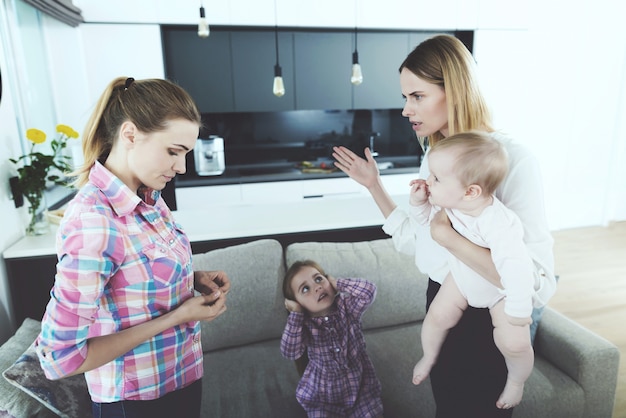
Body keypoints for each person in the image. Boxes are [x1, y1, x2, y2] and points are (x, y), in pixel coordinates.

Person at [332, 34, 555, 417]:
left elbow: (537, 281)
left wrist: (449, 238)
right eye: (405, 97)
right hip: (442, 299)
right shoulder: (435, 155)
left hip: (489, 318)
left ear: (454, 89)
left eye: (417, 96)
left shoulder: (514, 160)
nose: (405, 109)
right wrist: (375, 187)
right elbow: (422, 244)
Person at [35, 76, 231, 418]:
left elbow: (130, 279)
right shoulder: (93, 221)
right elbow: (61, 357)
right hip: (136, 404)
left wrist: (190, 279)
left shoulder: (149, 198)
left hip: (179, 379)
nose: (181, 167)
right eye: (174, 152)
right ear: (130, 135)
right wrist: (178, 316)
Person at [409, 131, 555, 409]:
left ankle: (516, 381)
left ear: (471, 191)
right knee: (437, 317)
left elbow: (516, 267)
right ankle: (429, 356)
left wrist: (518, 309)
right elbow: (425, 222)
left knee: (514, 343)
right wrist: (419, 202)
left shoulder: (497, 223)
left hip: (498, 292)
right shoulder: (452, 204)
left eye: (436, 178)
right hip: (462, 279)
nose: (429, 182)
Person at [280, 260, 384, 418]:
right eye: (305, 289)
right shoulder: (304, 325)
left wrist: (337, 283)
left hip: (360, 390)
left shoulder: (347, 307)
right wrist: (296, 313)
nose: (317, 287)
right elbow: (290, 352)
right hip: (323, 398)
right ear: (297, 303)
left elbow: (369, 291)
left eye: (318, 279)